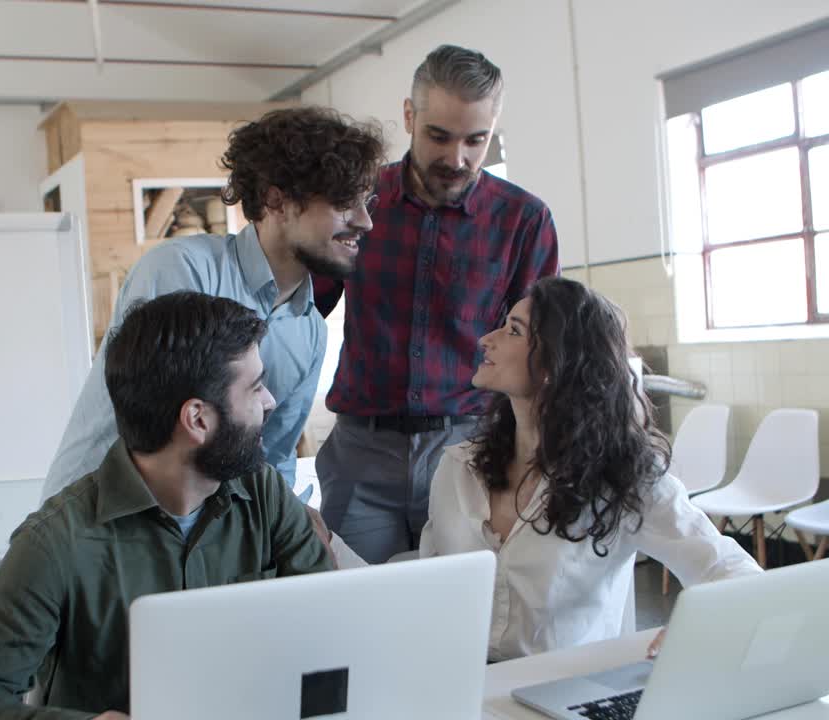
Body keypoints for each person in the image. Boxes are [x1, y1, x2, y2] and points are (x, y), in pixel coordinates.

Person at [0, 292, 334, 719]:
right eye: (255, 387)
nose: (269, 401)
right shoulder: (55, 543)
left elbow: (329, 622)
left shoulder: (262, 491)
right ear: (197, 419)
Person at [41, 106, 385, 503]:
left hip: (198, 528)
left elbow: (272, 460)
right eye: (344, 202)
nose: (365, 221)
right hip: (101, 516)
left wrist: (288, 522)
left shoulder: (309, 331)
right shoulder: (182, 271)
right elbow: (166, 441)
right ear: (276, 200)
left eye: (367, 202)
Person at [417, 277, 761, 662]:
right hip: (460, 681)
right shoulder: (459, 468)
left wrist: (699, 626)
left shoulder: (623, 477)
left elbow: (731, 570)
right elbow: (425, 589)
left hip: (565, 686)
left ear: (556, 363)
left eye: (513, 330)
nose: (486, 340)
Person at [313, 44, 560, 563]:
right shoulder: (357, 202)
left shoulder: (524, 221)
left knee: (464, 605)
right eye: (439, 136)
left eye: (476, 140)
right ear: (409, 116)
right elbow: (298, 313)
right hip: (362, 454)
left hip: (474, 451)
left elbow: (538, 354)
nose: (457, 159)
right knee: (360, 604)